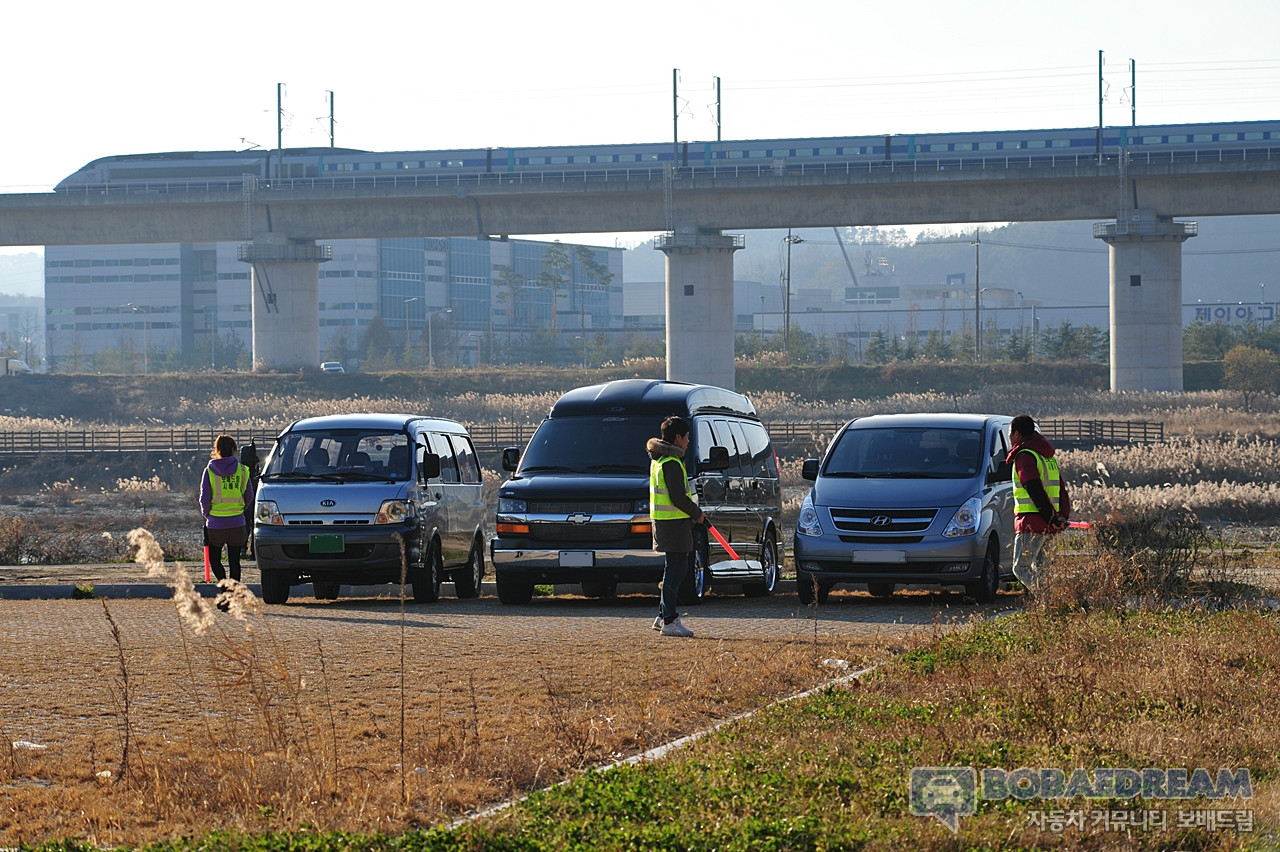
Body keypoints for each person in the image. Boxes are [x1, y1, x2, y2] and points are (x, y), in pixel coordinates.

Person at [646, 415, 706, 638]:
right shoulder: (670, 462)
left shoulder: (659, 460)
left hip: (668, 522)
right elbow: (678, 497)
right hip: (673, 523)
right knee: (676, 570)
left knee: (674, 569)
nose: (689, 442)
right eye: (687, 437)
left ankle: (663, 614)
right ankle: (670, 620)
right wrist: (698, 514)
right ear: (678, 437)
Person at [1007, 414, 1071, 596]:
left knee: (1020, 568)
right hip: (1050, 524)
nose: (1009, 438)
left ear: (1017, 434)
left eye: (1010, 434)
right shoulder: (1048, 456)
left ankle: (1048, 600)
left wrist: (1051, 517)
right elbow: (1061, 490)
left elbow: (1033, 488)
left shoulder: (1025, 455)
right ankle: (1051, 607)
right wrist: (1061, 517)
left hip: (1031, 522)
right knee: (1043, 571)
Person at [199, 434, 254, 602]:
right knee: (234, 561)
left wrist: (207, 514)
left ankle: (224, 589)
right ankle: (234, 594)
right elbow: (250, 496)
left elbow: (204, 498)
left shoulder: (209, 471)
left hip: (216, 524)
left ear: (217, 450)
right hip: (237, 523)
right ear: (233, 450)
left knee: (215, 560)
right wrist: (240, 510)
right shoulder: (243, 471)